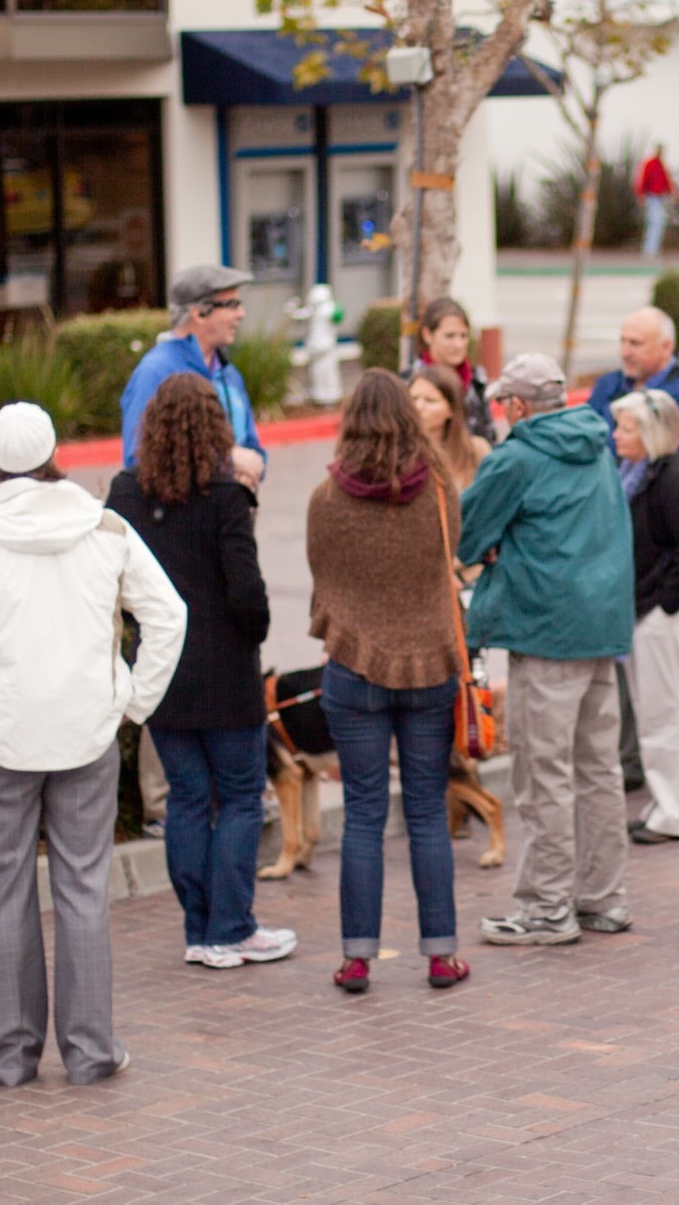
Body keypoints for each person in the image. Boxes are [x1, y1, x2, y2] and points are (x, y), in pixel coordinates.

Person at [0, 403, 187, 1086]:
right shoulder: (104, 526)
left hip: (2, 734)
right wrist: (134, 700)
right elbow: (169, 614)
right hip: (89, 730)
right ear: (54, 453)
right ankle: (91, 1051)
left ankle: (10, 1053)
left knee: (3, 891)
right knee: (83, 888)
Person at [104, 375, 288, 972]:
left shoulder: (125, 495)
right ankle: (231, 928)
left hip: (160, 670)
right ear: (216, 430)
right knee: (238, 797)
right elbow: (247, 594)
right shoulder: (226, 497)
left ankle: (199, 929)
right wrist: (255, 631)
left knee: (185, 799)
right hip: (227, 669)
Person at [459, 353, 636, 947]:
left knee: (543, 776)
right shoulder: (596, 445)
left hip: (545, 627)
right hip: (600, 627)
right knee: (597, 769)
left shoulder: (517, 457)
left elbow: (467, 533)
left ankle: (546, 907)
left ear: (516, 406)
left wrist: (495, 550)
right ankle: (602, 897)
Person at [305, 370, 472, 994]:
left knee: (364, 815)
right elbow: (448, 553)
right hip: (429, 662)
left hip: (352, 668)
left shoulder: (326, 498)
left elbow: (321, 575)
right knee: (428, 811)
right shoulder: (438, 490)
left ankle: (356, 958)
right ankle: (440, 955)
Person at [612, 389, 679, 845]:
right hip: (650, 611)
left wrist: (663, 604)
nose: (616, 435)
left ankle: (677, 813)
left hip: (663, 615)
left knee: (664, 715)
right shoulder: (641, 474)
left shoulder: (672, 478)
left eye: (626, 427)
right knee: (654, 713)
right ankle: (665, 805)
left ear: (650, 432)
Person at [120, 264, 266, 488]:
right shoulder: (155, 372)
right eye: (232, 305)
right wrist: (228, 460)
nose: (241, 314)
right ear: (198, 312)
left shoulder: (228, 373)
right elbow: (138, 459)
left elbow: (252, 447)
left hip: (230, 516)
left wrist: (254, 466)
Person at [586, 307, 679, 484]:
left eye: (635, 343)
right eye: (623, 341)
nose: (625, 352)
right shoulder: (609, 385)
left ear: (666, 347)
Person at [410, 295, 494, 441]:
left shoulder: (477, 380)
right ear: (427, 335)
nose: (458, 345)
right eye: (450, 336)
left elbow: (488, 436)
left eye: (463, 336)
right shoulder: (409, 381)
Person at [411, 363, 490, 488]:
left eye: (430, 401)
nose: (418, 407)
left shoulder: (476, 451)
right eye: (413, 398)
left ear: (451, 409)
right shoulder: (399, 452)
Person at [635, 142, 676, 258]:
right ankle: (649, 249)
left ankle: (653, 248)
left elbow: (666, 180)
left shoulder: (661, 164)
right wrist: (641, 194)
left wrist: (672, 192)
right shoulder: (651, 164)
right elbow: (644, 179)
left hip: (662, 197)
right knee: (655, 221)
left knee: (659, 222)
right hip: (652, 197)